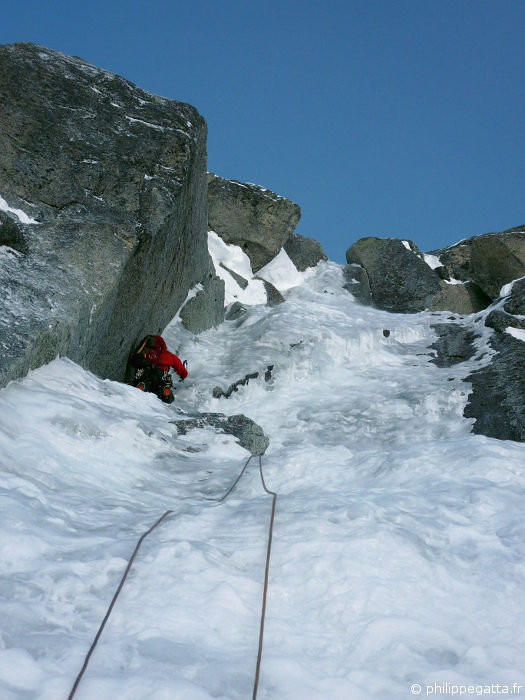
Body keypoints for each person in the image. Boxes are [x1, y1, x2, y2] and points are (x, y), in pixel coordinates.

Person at [127, 335, 188, 403]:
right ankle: (165, 392)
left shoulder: (146, 351)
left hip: (147, 371)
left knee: (145, 381)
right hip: (161, 374)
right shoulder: (168, 355)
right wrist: (183, 375)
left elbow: (135, 359)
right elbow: (181, 369)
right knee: (162, 386)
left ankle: (141, 386)